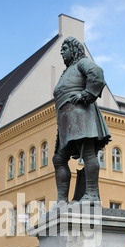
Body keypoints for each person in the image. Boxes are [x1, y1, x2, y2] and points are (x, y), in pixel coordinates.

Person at [52, 36, 111, 205]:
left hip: (80, 115)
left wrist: (86, 95)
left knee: (87, 153)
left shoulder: (81, 63)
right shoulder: (69, 70)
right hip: (66, 121)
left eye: (65, 49)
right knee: (59, 159)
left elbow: (97, 74)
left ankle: (92, 194)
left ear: (74, 49)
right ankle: (62, 200)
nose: (62, 52)